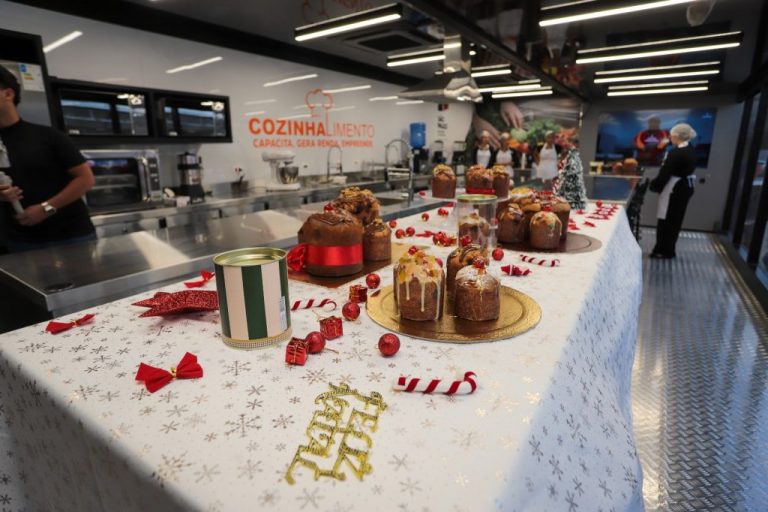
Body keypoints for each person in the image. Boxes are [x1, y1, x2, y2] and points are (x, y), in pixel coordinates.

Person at [0, 66, 96, 253]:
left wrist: (46, 208)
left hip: (71, 236)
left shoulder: (47, 136)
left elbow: (85, 178)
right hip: (21, 241)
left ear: (8, 94)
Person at [649, 123, 697, 259]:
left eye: (672, 135)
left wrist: (654, 186)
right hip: (685, 188)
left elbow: (665, 173)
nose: (670, 137)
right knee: (676, 220)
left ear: (677, 136)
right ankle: (669, 249)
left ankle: (662, 250)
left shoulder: (676, 153)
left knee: (666, 220)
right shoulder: (691, 150)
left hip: (675, 189)